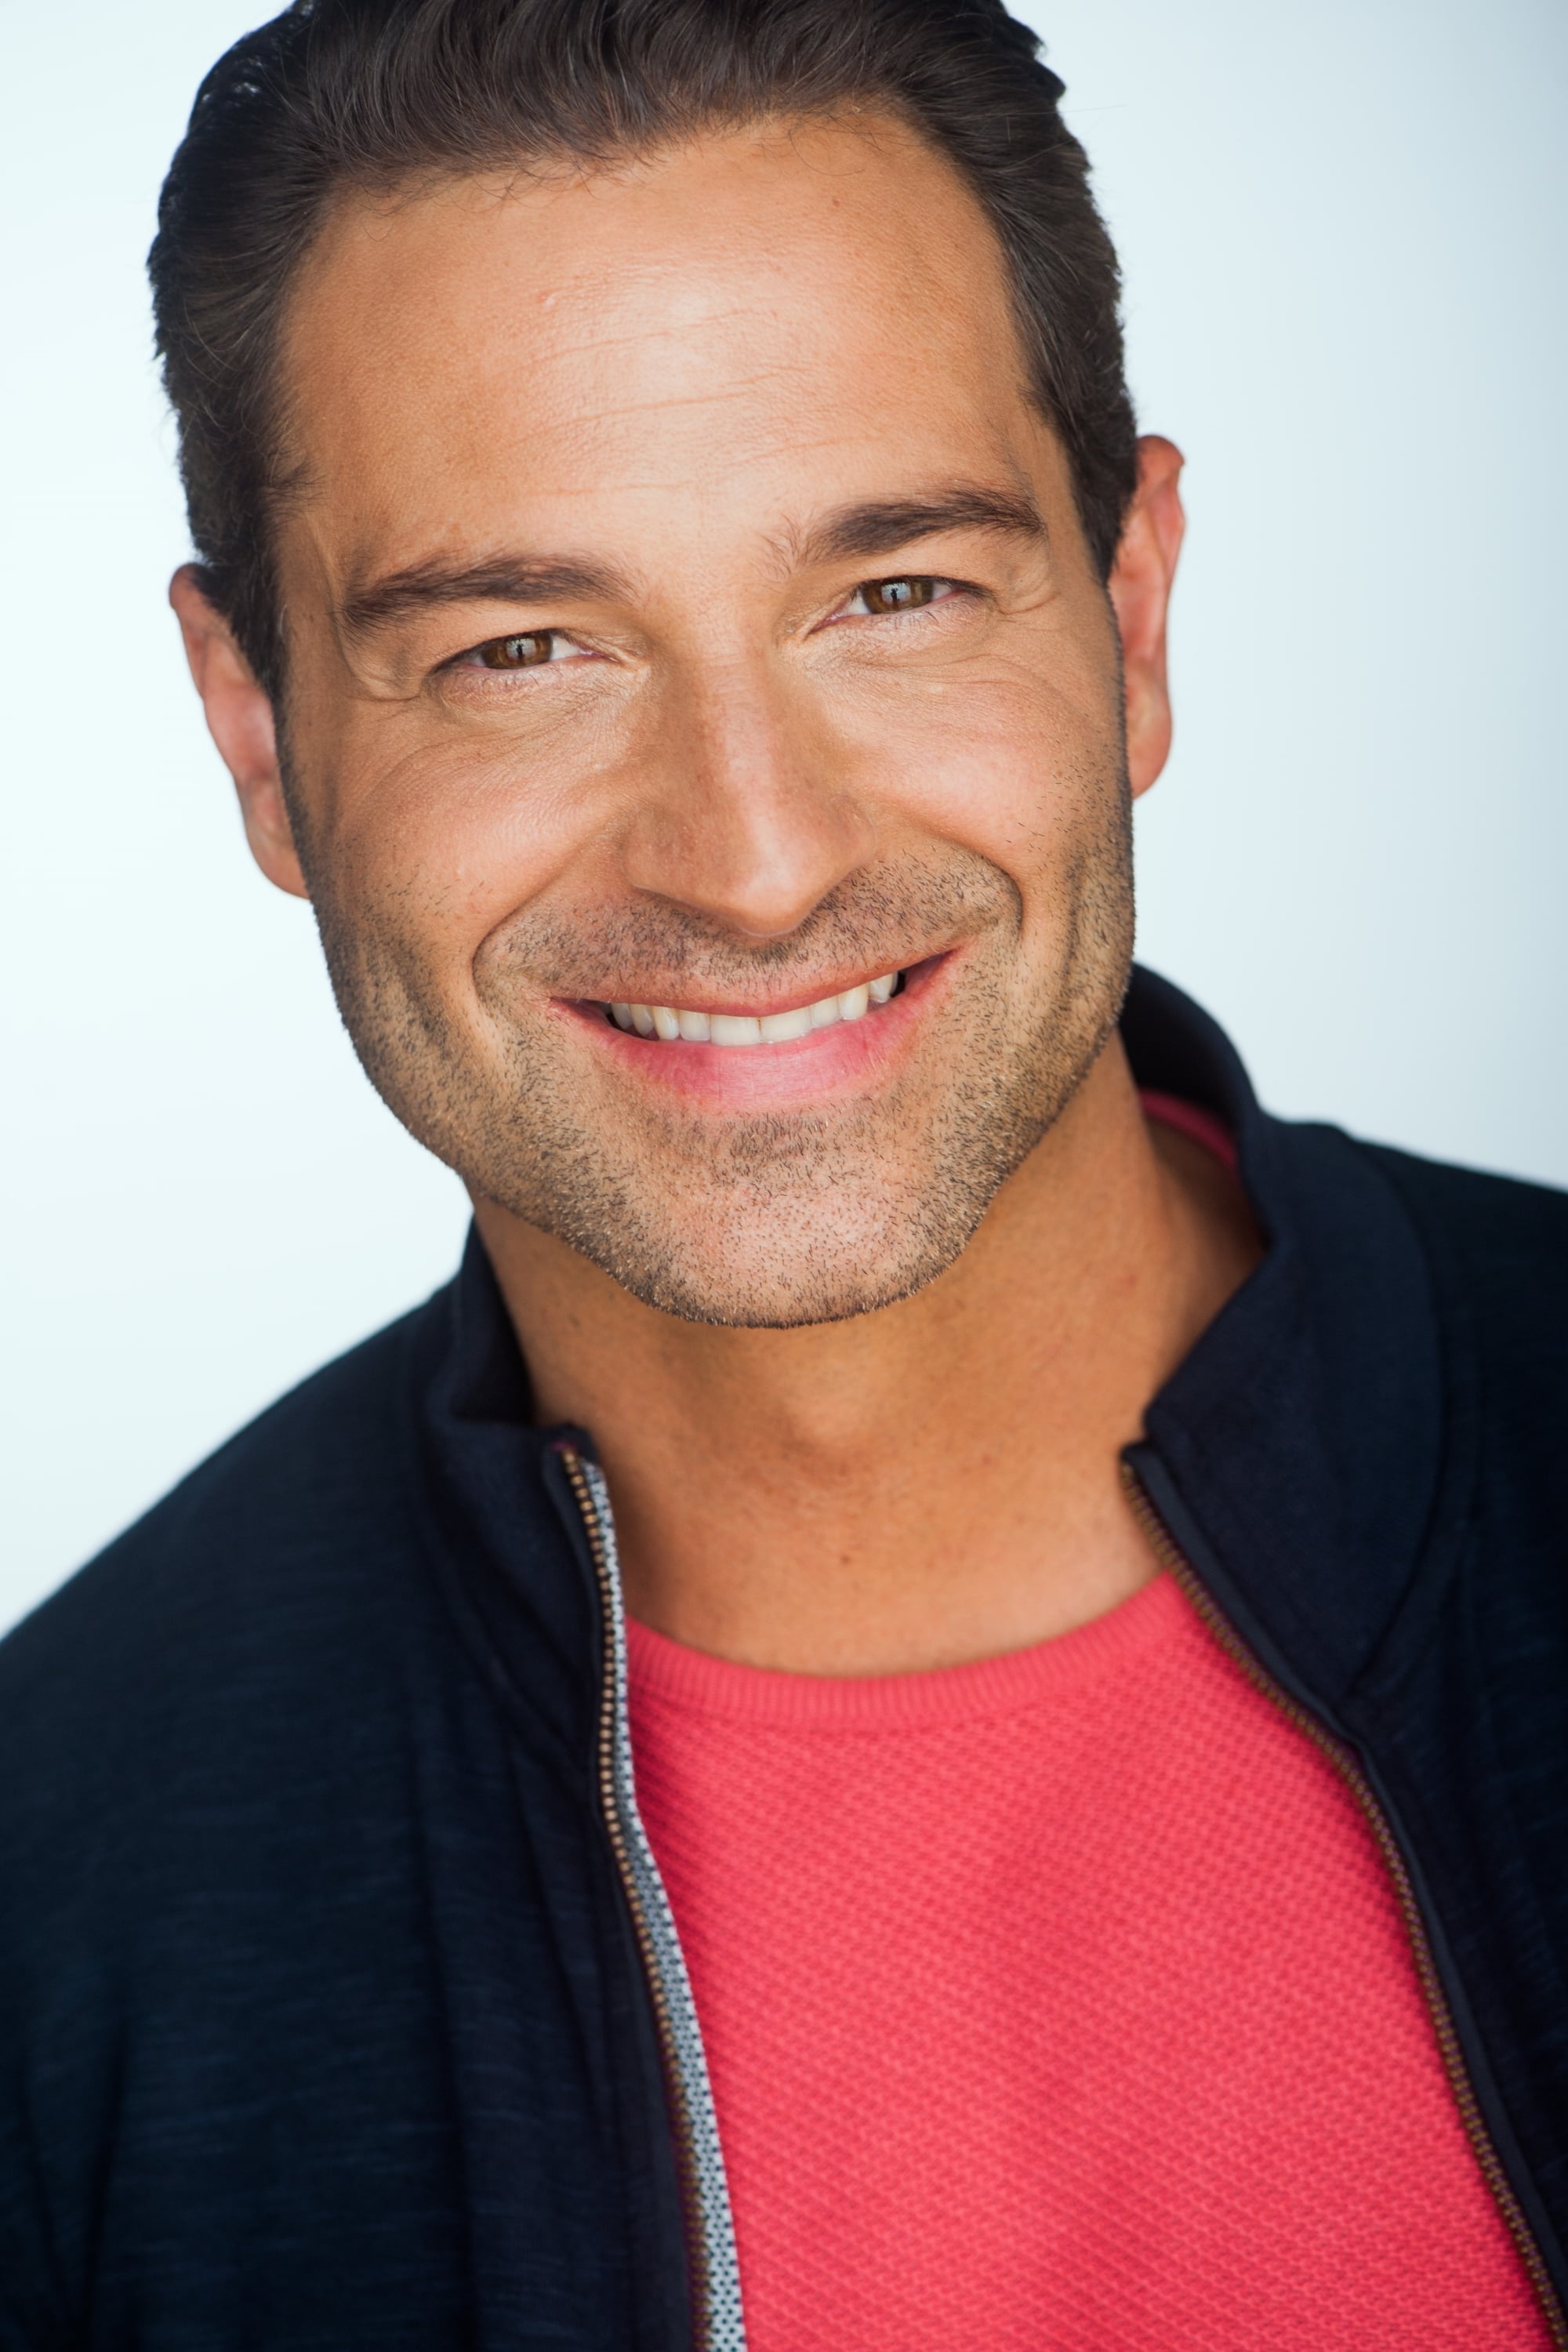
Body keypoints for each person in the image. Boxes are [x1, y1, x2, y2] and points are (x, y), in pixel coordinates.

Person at [1, 0, 1563, 2342]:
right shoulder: (53, 1921)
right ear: (258, 729)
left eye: (894, 595)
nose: (754, 858)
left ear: (1133, 609)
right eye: (524, 648)